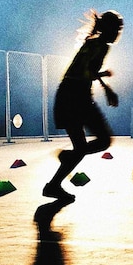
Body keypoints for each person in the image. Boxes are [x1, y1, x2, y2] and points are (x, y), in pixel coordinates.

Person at [42, 10, 123, 203]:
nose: (119, 32)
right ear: (110, 29)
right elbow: (86, 70)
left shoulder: (94, 43)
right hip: (76, 96)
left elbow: (84, 70)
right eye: (118, 28)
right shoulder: (100, 46)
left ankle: (54, 184)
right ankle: (66, 161)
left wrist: (101, 77)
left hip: (67, 93)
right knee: (103, 141)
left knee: (81, 147)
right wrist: (106, 87)